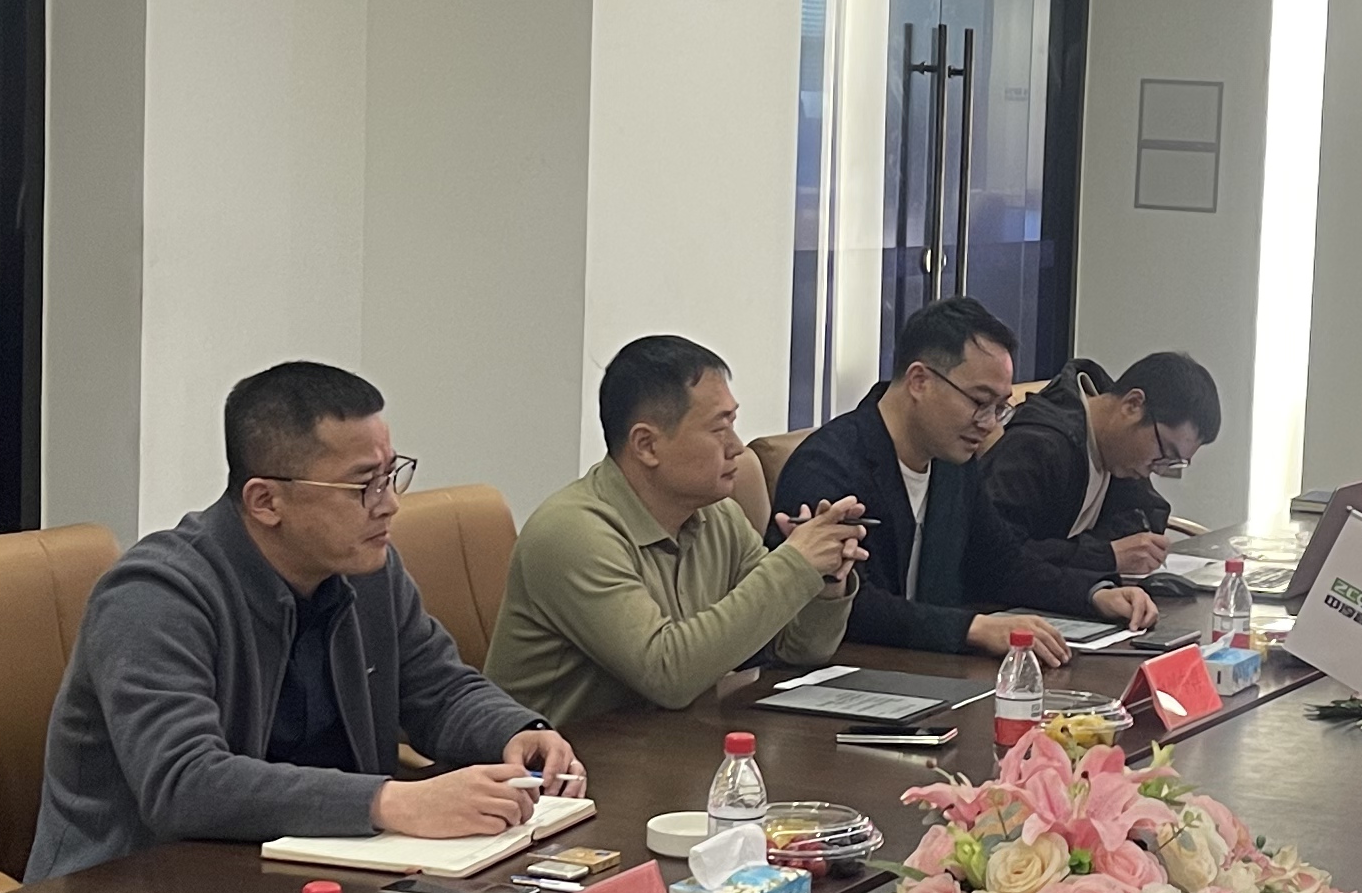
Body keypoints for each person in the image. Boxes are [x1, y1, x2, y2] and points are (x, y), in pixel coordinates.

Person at [26, 360, 575, 884]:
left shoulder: (367, 572)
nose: (388, 505)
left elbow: (439, 689)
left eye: (390, 475)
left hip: (317, 873)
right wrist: (390, 801)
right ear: (266, 501)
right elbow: (184, 782)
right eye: (363, 486)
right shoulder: (155, 596)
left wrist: (517, 732)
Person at [488, 334, 870, 730]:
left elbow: (798, 648)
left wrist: (823, 578)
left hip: (663, 745)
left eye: (733, 424)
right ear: (647, 445)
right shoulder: (573, 532)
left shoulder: (718, 516)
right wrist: (793, 563)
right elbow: (667, 674)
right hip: (561, 758)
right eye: (719, 429)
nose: (737, 447)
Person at [774, 296, 1158, 656]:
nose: (989, 424)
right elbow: (851, 605)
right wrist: (972, 629)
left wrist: (1092, 595)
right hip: (846, 669)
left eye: (999, 407)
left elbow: (1002, 562)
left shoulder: (952, 462)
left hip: (924, 665)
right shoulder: (829, 468)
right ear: (920, 381)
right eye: (979, 402)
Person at [974, 351, 1223, 598]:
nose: (1158, 468)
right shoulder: (1036, 447)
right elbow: (993, 555)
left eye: (1173, 462)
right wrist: (1104, 555)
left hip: (1066, 600)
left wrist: (1106, 552)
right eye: (1164, 451)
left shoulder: (1118, 452)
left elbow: (1148, 515)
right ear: (1132, 405)